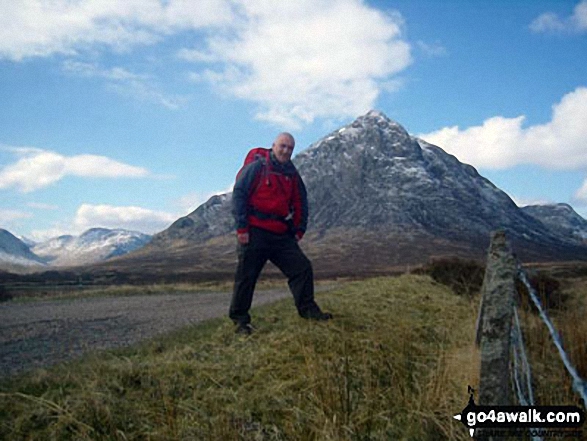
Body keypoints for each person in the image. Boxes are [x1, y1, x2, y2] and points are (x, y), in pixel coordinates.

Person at [229, 132, 332, 335]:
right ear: (273, 146)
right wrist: (242, 228)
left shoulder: (292, 174)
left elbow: (301, 202)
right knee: (246, 277)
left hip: (280, 233)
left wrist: (299, 230)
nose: (286, 151)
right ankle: (240, 321)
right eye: (282, 146)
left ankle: (308, 311)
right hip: (255, 230)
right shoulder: (257, 167)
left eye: (290, 148)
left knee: (302, 268)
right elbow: (239, 194)